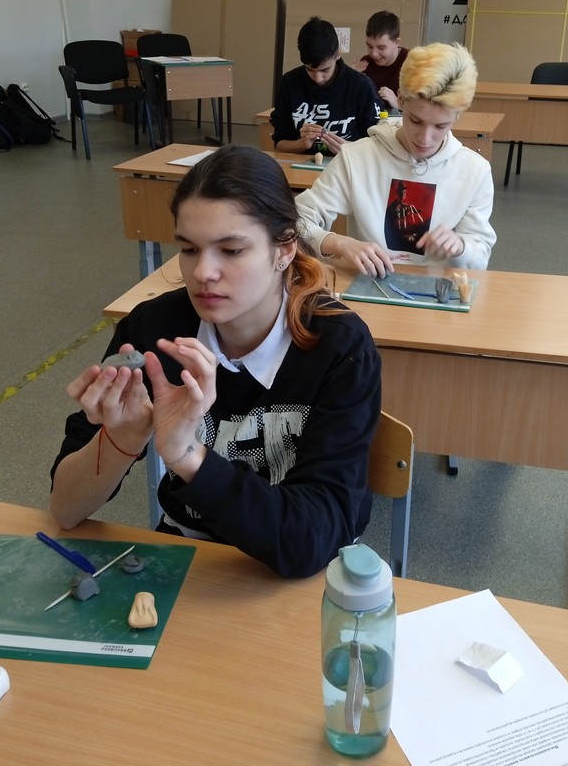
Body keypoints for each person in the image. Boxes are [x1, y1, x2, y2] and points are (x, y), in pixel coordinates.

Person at [50, 145, 382, 578]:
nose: (202, 272)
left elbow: (312, 540)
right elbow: (65, 509)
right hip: (190, 557)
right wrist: (122, 436)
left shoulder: (339, 346)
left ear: (284, 248)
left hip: (302, 574)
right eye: (189, 249)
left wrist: (189, 457)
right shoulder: (154, 332)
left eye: (231, 250)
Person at [296, 42, 496, 277]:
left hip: (438, 291)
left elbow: (480, 257)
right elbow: (295, 222)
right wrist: (339, 243)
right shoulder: (357, 158)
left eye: (441, 126)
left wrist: (461, 246)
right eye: (415, 120)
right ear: (400, 99)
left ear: (457, 116)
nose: (425, 138)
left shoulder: (475, 171)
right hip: (370, 284)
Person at [270, 16, 381, 155]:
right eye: (309, 69)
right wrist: (302, 144)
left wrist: (349, 149)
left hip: (348, 163)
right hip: (301, 163)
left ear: (338, 53)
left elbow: (377, 146)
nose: (317, 78)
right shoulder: (290, 82)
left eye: (325, 70)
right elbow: (279, 144)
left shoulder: (361, 86)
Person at [352, 10, 409, 111]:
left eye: (381, 48)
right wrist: (350, 77)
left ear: (397, 42)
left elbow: (425, 108)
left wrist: (399, 105)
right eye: (370, 46)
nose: (374, 54)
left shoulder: (413, 62)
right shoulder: (366, 63)